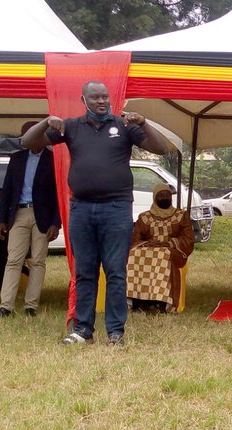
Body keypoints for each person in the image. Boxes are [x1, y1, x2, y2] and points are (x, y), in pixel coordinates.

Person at [22, 80, 171, 346]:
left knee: (115, 272)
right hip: (81, 208)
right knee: (85, 272)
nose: (102, 101)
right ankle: (83, 330)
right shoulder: (71, 127)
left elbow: (161, 148)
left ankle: (115, 332)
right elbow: (26, 142)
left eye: (105, 97)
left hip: (116, 209)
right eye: (95, 98)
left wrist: (144, 122)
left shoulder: (124, 126)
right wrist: (46, 122)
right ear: (84, 101)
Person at [0, 122, 60, 318]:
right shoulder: (16, 159)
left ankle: (30, 306)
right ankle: (5, 306)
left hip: (43, 216)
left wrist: (56, 222)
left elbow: (59, 194)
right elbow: (7, 191)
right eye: (25, 136)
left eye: (32, 134)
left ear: (42, 135)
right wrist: (1, 219)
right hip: (19, 214)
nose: (28, 139)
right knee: (13, 260)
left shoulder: (53, 160)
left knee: (38, 261)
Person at [128, 184, 194, 312]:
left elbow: (188, 239)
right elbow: (135, 239)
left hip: (172, 250)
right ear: (155, 197)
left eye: (167, 195)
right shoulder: (144, 217)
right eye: (161, 195)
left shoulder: (181, 215)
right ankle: (137, 300)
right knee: (134, 254)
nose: (164, 197)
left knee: (162, 255)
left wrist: (169, 243)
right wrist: (147, 244)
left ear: (171, 197)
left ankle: (161, 301)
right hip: (148, 248)